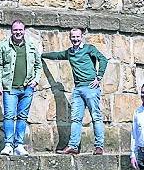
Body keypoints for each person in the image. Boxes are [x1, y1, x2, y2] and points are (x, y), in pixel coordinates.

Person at [41, 27, 108, 155]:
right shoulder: (70, 52)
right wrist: (42, 55)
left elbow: (103, 60)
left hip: (91, 87)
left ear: (81, 37)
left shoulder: (89, 49)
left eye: (78, 37)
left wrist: (99, 77)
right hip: (78, 89)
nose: (75, 39)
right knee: (76, 119)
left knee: (96, 117)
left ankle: (99, 146)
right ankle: (73, 146)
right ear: (70, 38)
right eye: (73, 37)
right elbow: (57, 55)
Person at [0, 20, 43, 156]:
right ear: (11, 31)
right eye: (15, 30)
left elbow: (38, 65)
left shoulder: (31, 46)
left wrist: (36, 80)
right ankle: (8, 145)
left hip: (27, 88)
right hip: (10, 88)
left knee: (22, 117)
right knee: (9, 116)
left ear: (24, 31)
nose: (18, 32)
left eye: (20, 30)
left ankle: (19, 145)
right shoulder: (4, 46)